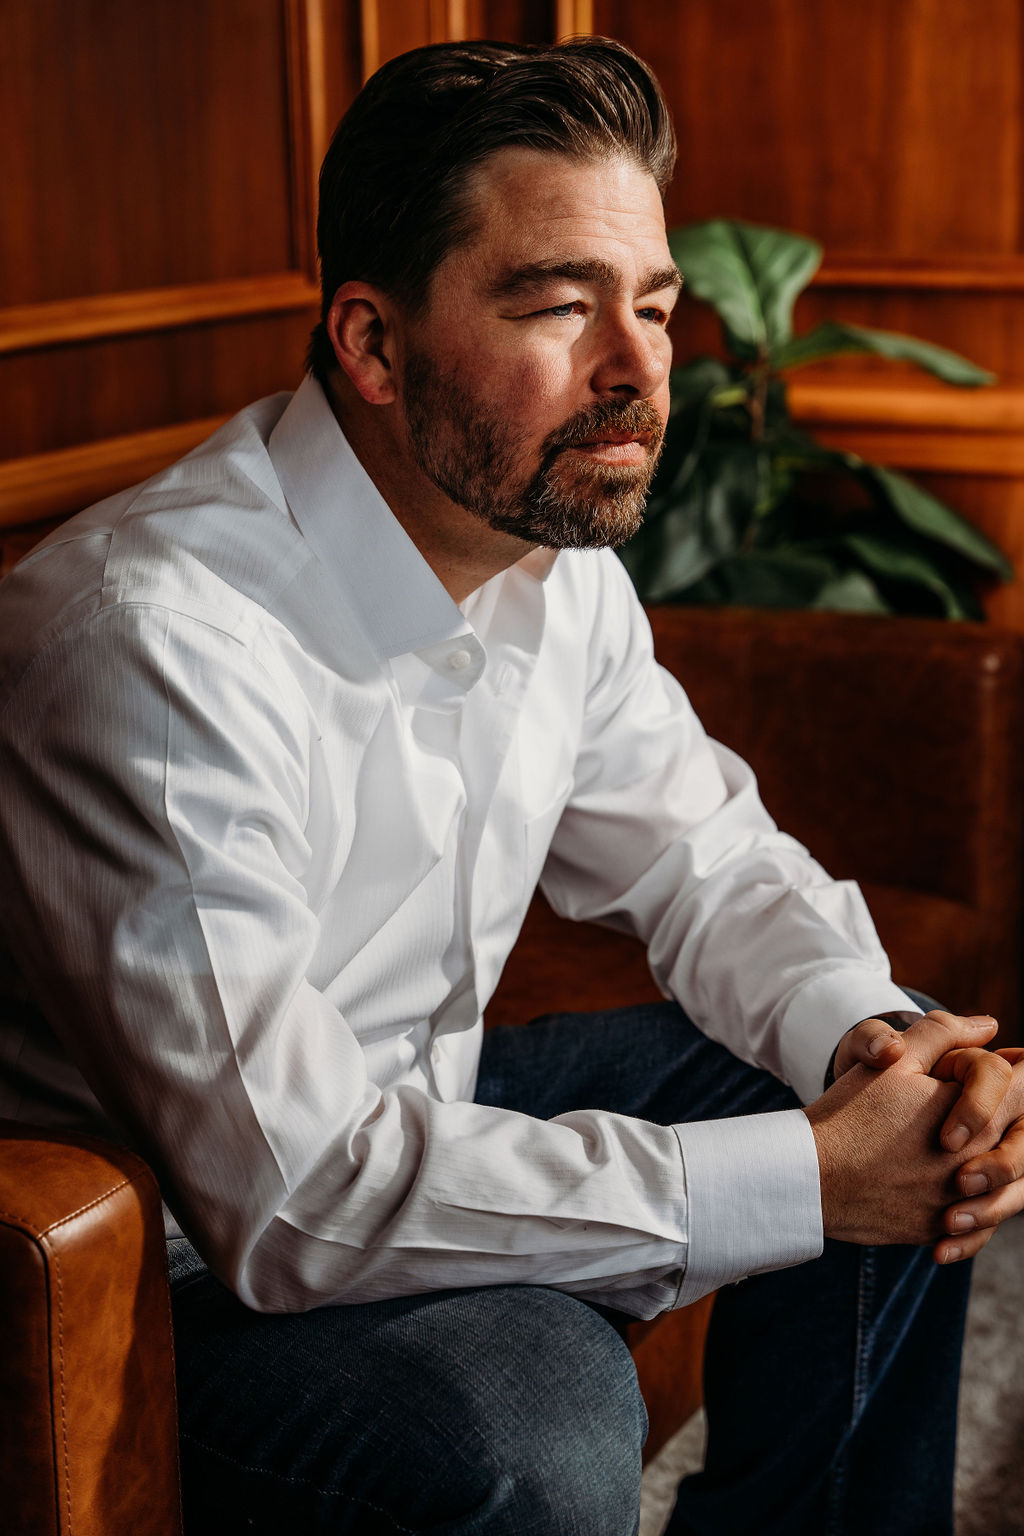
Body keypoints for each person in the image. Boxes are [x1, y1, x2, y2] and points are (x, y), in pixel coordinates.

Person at [1, 36, 1023, 1536]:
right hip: (177, 1261)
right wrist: (799, 1180)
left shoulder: (549, 559)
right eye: (558, 303)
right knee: (532, 1411)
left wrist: (868, 1041)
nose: (638, 368)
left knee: (900, 1088)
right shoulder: (148, 644)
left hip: (420, 1109)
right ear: (370, 341)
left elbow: (706, 860)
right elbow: (294, 1195)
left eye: (657, 305)